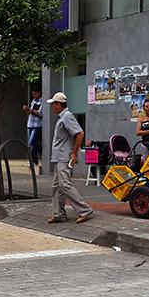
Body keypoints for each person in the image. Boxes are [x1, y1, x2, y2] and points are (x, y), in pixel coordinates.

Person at [46, 92, 94, 224]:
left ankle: (84, 210)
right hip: (59, 157)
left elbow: (79, 133)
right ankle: (58, 213)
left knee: (65, 185)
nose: (52, 107)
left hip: (63, 157)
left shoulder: (67, 116)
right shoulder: (62, 117)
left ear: (58, 104)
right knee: (57, 186)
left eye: (53, 104)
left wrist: (74, 153)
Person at [23, 89, 43, 169]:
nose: (33, 95)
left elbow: (40, 113)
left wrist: (29, 110)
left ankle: (33, 160)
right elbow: (30, 113)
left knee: (31, 143)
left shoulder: (41, 101)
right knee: (33, 144)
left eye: (35, 93)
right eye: (32, 94)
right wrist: (27, 111)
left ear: (39, 93)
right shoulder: (33, 101)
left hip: (37, 125)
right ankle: (35, 160)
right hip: (30, 124)